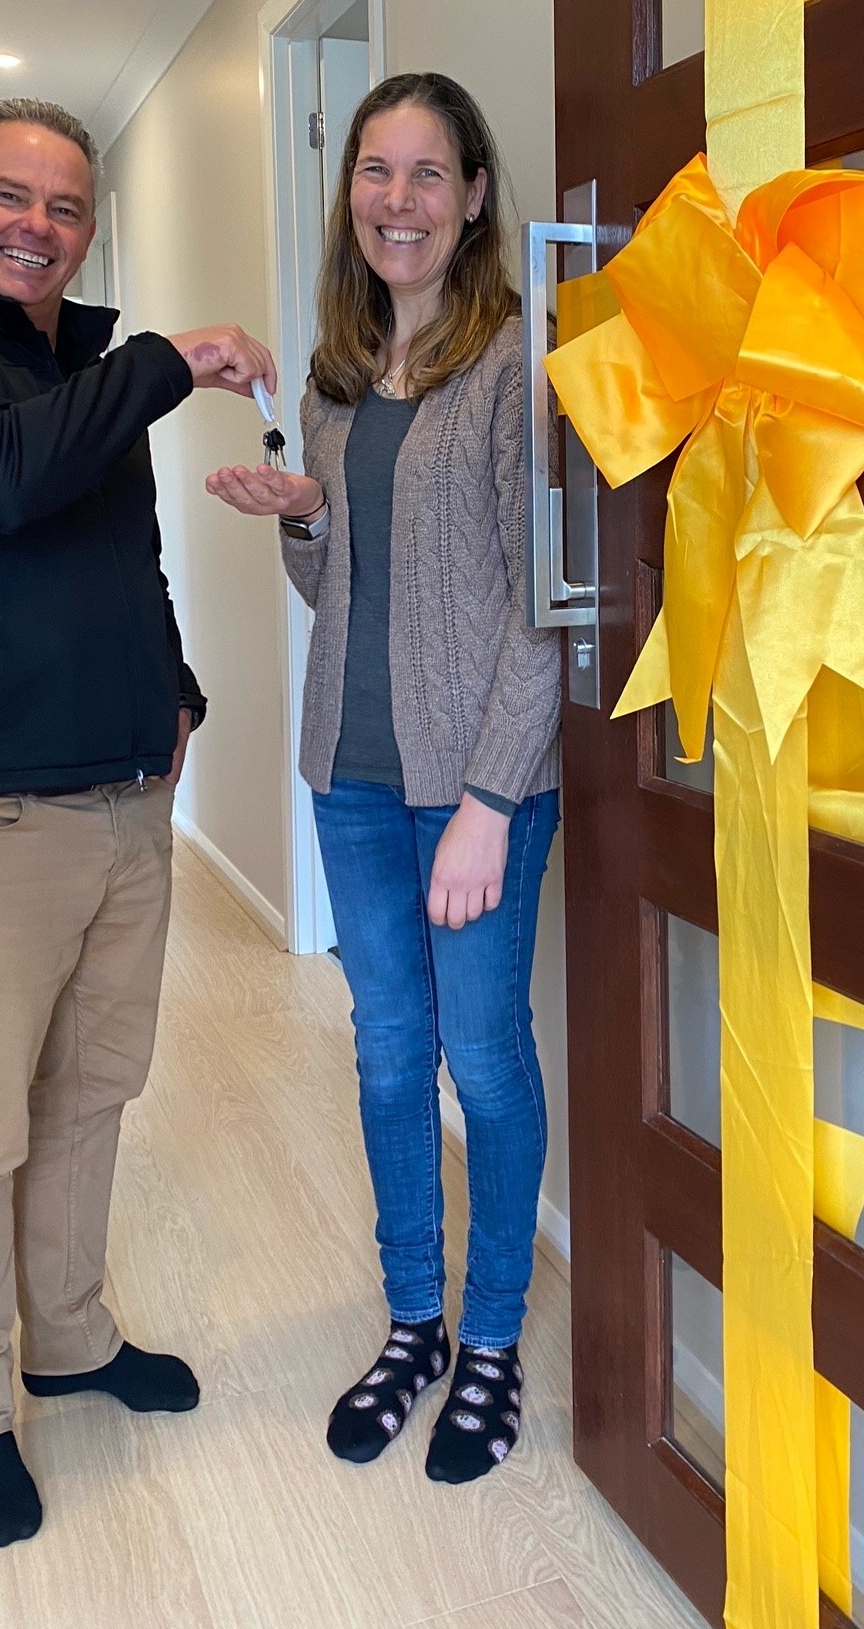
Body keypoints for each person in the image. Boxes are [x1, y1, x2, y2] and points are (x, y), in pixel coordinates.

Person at [0, 97, 276, 1548]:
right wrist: (166, 361)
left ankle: (70, 1341)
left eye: (67, 207)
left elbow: (123, 557)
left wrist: (175, 688)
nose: (38, 226)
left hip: (123, 800)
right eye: (12, 196)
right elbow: (2, 479)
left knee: (90, 1096)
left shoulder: (81, 373)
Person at [206, 73, 561, 1485]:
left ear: (473, 196)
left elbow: (548, 607)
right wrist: (305, 517)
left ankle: (492, 1340)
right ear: (347, 190)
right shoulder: (335, 380)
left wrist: (489, 803)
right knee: (388, 1051)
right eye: (374, 171)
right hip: (348, 777)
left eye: (426, 173)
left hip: (473, 787)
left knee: (485, 1056)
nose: (396, 201)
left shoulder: (518, 366)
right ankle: (414, 1319)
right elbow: (339, 595)